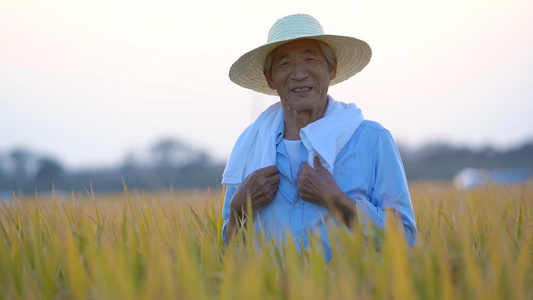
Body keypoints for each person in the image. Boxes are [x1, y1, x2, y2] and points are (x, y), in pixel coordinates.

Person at [221, 14, 417, 260]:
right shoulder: (249, 145)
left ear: (331, 68)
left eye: (310, 59)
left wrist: (335, 200)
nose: (299, 74)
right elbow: (230, 251)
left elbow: (406, 240)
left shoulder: (372, 140)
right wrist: (239, 207)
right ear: (269, 78)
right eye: (285, 64)